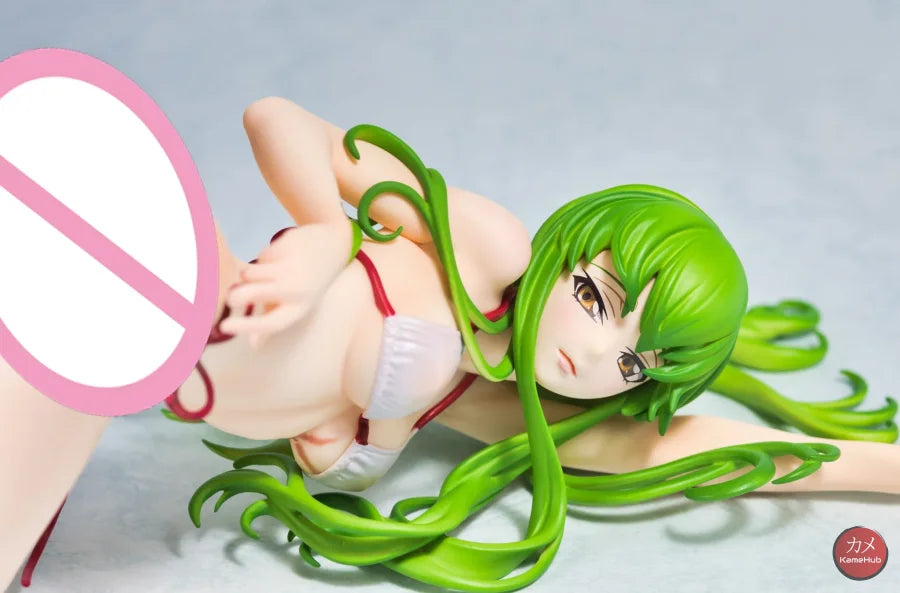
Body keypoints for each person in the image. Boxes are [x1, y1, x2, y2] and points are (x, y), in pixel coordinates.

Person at [2, 98, 897, 591]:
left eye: (633, 362)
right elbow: (278, 119)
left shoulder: (492, 404)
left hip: (152, 374)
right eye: (596, 298)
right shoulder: (484, 250)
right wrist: (327, 238)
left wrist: (881, 467)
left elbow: (701, 449)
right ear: (568, 251)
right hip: (169, 280)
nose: (595, 357)